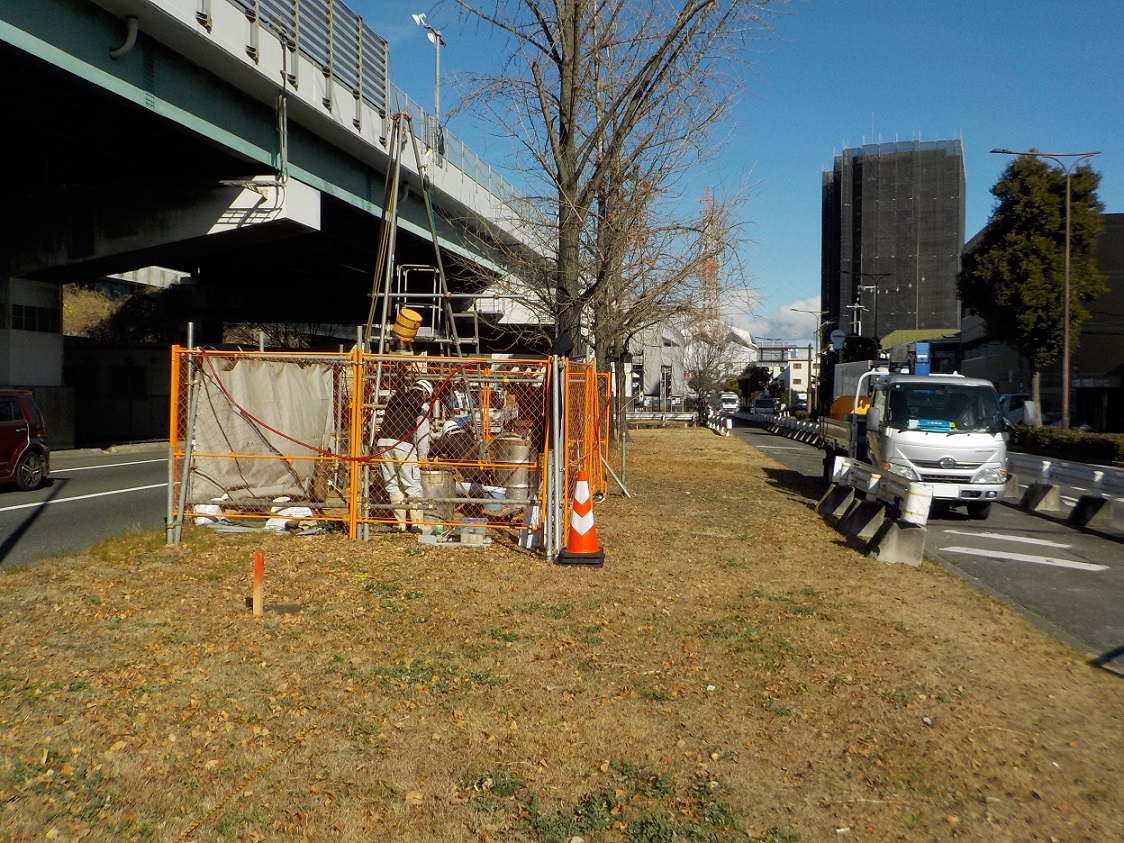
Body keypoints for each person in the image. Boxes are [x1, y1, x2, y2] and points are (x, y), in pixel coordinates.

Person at [376, 378, 433, 530]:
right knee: (412, 485)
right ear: (426, 393)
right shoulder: (422, 405)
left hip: (383, 443)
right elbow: (422, 433)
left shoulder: (394, 398)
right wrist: (423, 457)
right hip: (403, 444)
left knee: (392, 484)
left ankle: (400, 524)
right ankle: (416, 524)